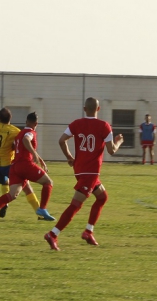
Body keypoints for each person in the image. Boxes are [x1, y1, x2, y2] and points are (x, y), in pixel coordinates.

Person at [44, 97, 124, 251]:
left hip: (80, 169)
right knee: (76, 204)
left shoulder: (76, 124)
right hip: (91, 171)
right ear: (98, 109)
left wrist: (69, 157)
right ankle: (53, 234)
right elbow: (112, 150)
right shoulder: (104, 126)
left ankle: (88, 231)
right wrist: (118, 141)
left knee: (102, 197)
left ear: (84, 108)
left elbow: (62, 140)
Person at [0, 112, 56, 223]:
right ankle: (42, 209)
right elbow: (26, 140)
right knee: (48, 182)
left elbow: (16, 145)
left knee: (13, 194)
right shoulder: (30, 132)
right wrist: (34, 154)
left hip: (15, 167)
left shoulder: (19, 133)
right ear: (36, 123)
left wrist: (39, 158)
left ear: (26, 121)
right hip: (25, 165)